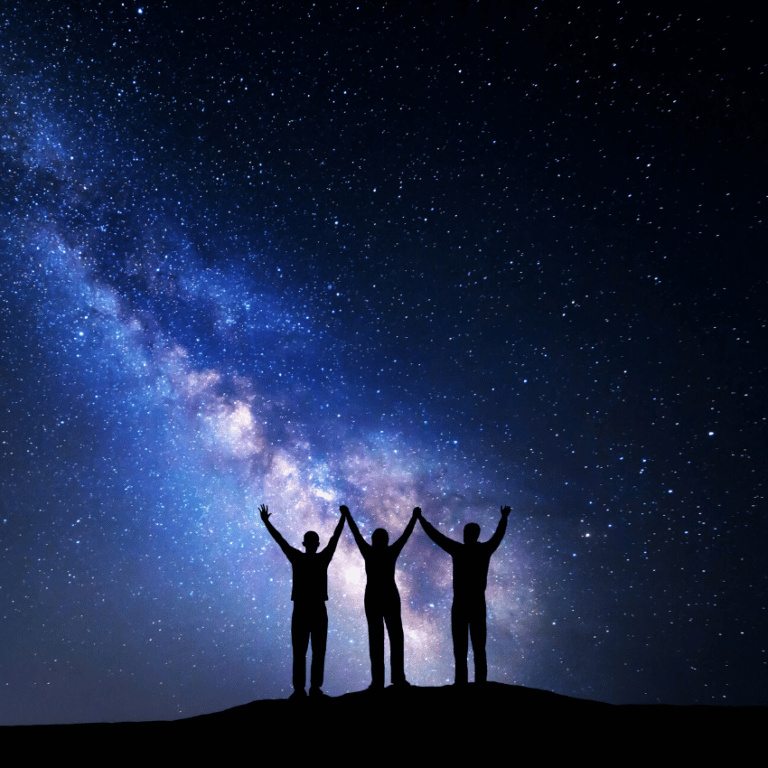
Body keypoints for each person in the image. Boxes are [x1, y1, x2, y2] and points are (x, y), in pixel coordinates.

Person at [418, 505, 511, 685]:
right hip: (472, 603)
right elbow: (498, 536)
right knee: (474, 647)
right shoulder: (481, 550)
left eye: (467, 532)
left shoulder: (461, 550)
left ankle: (465, 683)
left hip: (464, 603)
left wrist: (421, 520)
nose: (464, 535)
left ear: (472, 534)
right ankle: (477, 683)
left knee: (467, 647)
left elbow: (437, 537)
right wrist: (504, 518)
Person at [259, 503, 345, 698]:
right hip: (312, 609)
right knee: (310, 651)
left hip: (305, 609)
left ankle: (305, 689)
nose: (312, 544)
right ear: (313, 544)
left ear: (306, 544)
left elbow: (281, 540)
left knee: (306, 651)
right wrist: (343, 518)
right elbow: (334, 538)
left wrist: (267, 522)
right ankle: (307, 689)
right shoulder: (318, 558)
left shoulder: (300, 557)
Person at [341, 504, 418, 690]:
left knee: (381, 638)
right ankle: (391, 679)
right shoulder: (387, 551)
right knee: (390, 637)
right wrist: (414, 517)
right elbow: (406, 535)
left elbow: (356, 533)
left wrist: (347, 515)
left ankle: (382, 681)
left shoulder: (372, 551)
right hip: (384, 595)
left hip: (378, 595)